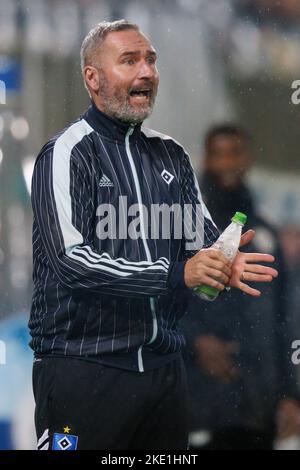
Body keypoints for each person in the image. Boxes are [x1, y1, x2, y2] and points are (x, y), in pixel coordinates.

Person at [29, 21, 277, 451]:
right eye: (129, 60)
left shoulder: (172, 155)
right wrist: (176, 274)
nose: (147, 71)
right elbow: (72, 263)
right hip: (84, 370)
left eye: (151, 60)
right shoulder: (67, 153)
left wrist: (221, 263)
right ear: (92, 77)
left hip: (165, 375)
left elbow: (200, 248)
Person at [182, 125, 300, 450]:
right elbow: (159, 301)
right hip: (198, 404)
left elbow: (285, 322)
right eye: (218, 154)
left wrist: (290, 395)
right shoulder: (183, 234)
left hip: (257, 407)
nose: (226, 163)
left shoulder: (267, 237)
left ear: (247, 159)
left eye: (233, 153)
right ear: (205, 160)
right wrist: (195, 341)